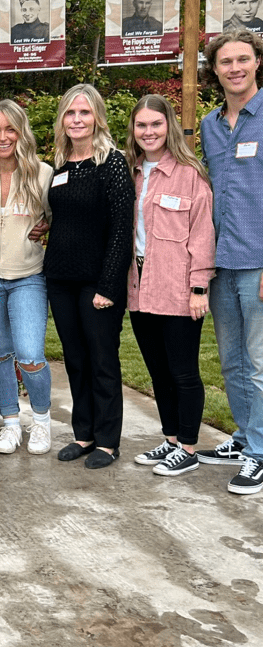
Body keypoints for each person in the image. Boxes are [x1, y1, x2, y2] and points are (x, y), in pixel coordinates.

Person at [44, 84, 134, 469]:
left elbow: (122, 228)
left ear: (97, 117)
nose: (77, 120)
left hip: (97, 282)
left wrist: (108, 286)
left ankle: (108, 441)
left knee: (102, 360)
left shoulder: (111, 163)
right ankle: (83, 434)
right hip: (60, 279)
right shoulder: (61, 164)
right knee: (76, 359)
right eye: (70, 113)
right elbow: (65, 217)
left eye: (84, 112)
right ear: (62, 119)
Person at [124, 96, 215, 477]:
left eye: (156, 124)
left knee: (183, 372)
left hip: (177, 287)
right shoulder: (129, 172)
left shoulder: (189, 174)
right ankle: (171, 438)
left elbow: (203, 234)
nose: (149, 132)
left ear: (169, 126)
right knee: (158, 372)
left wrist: (199, 288)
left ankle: (189, 447)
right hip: (139, 286)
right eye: (141, 125)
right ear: (133, 130)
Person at [196, 29, 263, 494]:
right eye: (226, 62)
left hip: (258, 259)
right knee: (232, 362)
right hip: (222, 261)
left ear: (257, 62)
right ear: (215, 70)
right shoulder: (210, 125)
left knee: (259, 363)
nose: (235, 68)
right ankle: (244, 437)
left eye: (243, 59)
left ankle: (259, 452)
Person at [0, 100, 54, 455]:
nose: (2, 137)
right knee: (0, 355)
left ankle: (42, 421)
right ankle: (11, 423)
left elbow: (63, 217)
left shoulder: (42, 174)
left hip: (28, 277)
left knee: (30, 354)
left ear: (22, 133)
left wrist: (48, 226)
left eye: (10, 129)